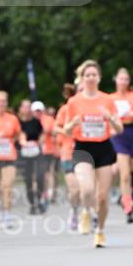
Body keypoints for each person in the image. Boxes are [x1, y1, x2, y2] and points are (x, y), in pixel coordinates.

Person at [63, 59, 123, 248]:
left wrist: (110, 118)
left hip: (104, 148)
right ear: (82, 78)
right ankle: (86, 212)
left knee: (103, 196)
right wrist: (74, 124)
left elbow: (119, 128)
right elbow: (66, 130)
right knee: (87, 188)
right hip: (83, 147)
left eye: (94, 75)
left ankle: (100, 231)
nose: (90, 78)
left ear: (99, 78)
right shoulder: (74, 102)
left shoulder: (107, 100)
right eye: (87, 75)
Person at [109, 67, 133, 224]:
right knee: (124, 175)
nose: (123, 81)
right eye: (120, 78)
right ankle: (128, 208)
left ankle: (126, 196)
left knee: (132, 172)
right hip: (118, 134)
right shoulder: (110, 98)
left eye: (126, 79)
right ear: (116, 80)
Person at [0, 91, 21, 224]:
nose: (1, 103)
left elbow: (18, 134)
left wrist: (16, 140)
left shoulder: (12, 118)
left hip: (9, 156)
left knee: (8, 185)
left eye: (4, 101)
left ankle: (6, 213)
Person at [55, 84, 81, 230]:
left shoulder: (93, 108)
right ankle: (74, 211)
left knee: (87, 188)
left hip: (86, 152)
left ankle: (88, 213)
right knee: (75, 189)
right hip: (68, 152)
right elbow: (55, 127)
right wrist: (68, 130)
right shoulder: (65, 109)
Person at [18, 99, 45, 215]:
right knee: (28, 180)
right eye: (25, 107)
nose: (27, 109)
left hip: (36, 152)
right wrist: (23, 142)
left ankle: (38, 200)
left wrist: (38, 142)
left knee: (39, 177)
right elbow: (19, 135)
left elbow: (42, 133)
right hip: (23, 154)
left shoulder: (36, 121)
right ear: (21, 109)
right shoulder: (17, 122)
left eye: (29, 107)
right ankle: (32, 204)